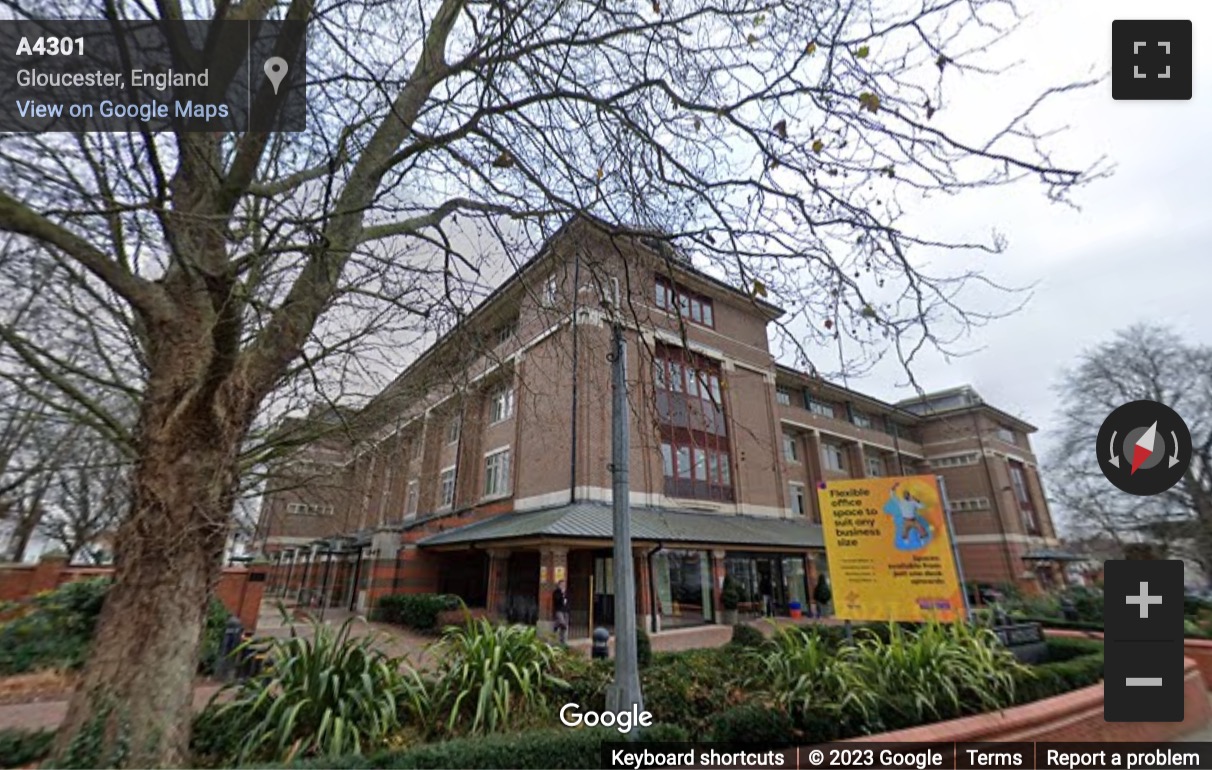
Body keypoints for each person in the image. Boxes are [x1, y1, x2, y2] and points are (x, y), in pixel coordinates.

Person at [553, 579, 570, 645]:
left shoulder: (567, 592)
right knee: (562, 622)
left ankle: (563, 642)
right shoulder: (556, 592)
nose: (563, 586)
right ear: (559, 585)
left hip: (565, 610)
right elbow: (557, 600)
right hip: (559, 610)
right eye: (561, 585)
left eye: (564, 585)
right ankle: (556, 624)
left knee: (564, 628)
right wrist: (562, 594)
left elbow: (568, 601)